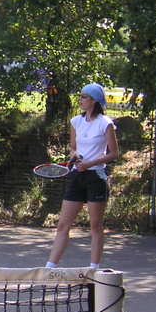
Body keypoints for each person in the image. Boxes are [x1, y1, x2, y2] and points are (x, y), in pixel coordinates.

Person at [45, 83, 117, 269]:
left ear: (94, 101)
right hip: (76, 176)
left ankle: (94, 269)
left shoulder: (105, 123)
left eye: (84, 97)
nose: (80, 99)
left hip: (96, 178)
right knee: (63, 225)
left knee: (95, 226)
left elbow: (113, 153)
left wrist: (89, 164)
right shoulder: (76, 121)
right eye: (81, 96)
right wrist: (75, 156)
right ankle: (49, 268)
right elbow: (73, 147)